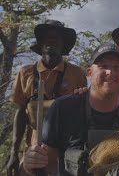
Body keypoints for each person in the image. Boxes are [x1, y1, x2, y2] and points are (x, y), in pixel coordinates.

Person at [22, 43, 119, 175]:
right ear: (90, 73)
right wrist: (32, 164)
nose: (110, 72)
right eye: (103, 66)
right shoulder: (62, 109)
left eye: (117, 67)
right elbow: (48, 165)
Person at [6, 20, 87, 176]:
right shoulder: (25, 73)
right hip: (33, 152)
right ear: (40, 43)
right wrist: (14, 153)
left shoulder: (77, 74)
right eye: (47, 36)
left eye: (57, 37)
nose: (52, 40)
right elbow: (21, 113)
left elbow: (83, 114)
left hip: (65, 155)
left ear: (63, 45)